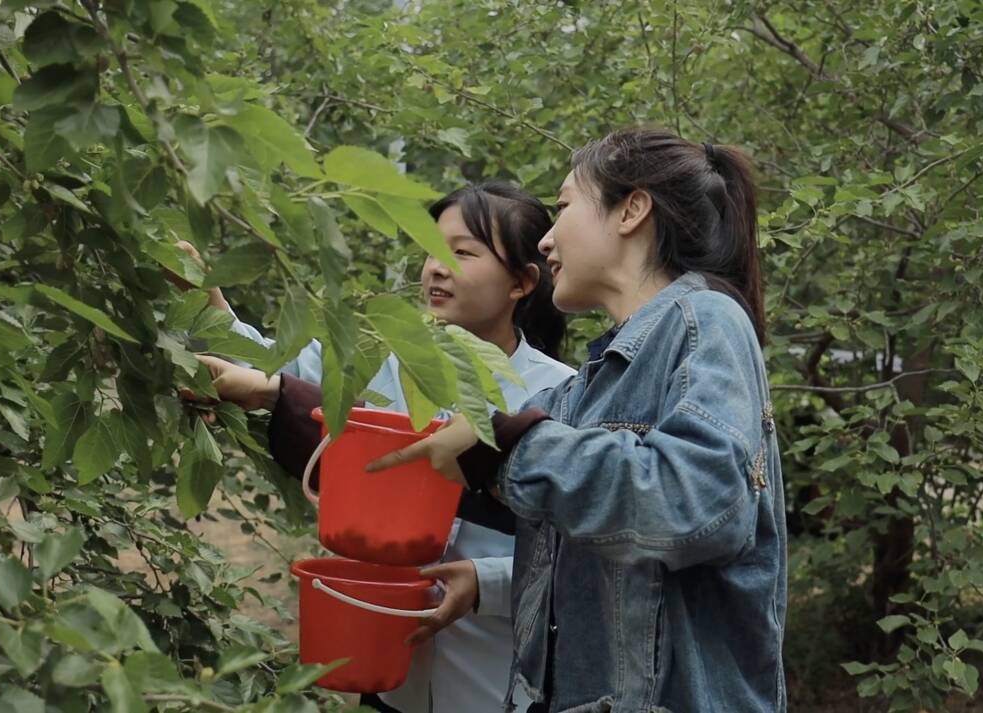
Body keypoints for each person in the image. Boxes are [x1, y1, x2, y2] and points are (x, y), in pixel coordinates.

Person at [367, 129, 788, 712]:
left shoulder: (705, 319)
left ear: (631, 210)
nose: (544, 239)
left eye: (563, 207)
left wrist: (512, 447)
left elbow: (700, 502)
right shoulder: (593, 381)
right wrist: (276, 395)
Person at [188, 181, 575, 713]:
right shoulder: (385, 364)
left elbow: (583, 557)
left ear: (521, 282)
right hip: (395, 683)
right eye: (431, 251)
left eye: (461, 253)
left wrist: (487, 583)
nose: (436, 268)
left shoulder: (564, 395)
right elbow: (272, 372)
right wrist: (207, 302)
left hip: (497, 685)